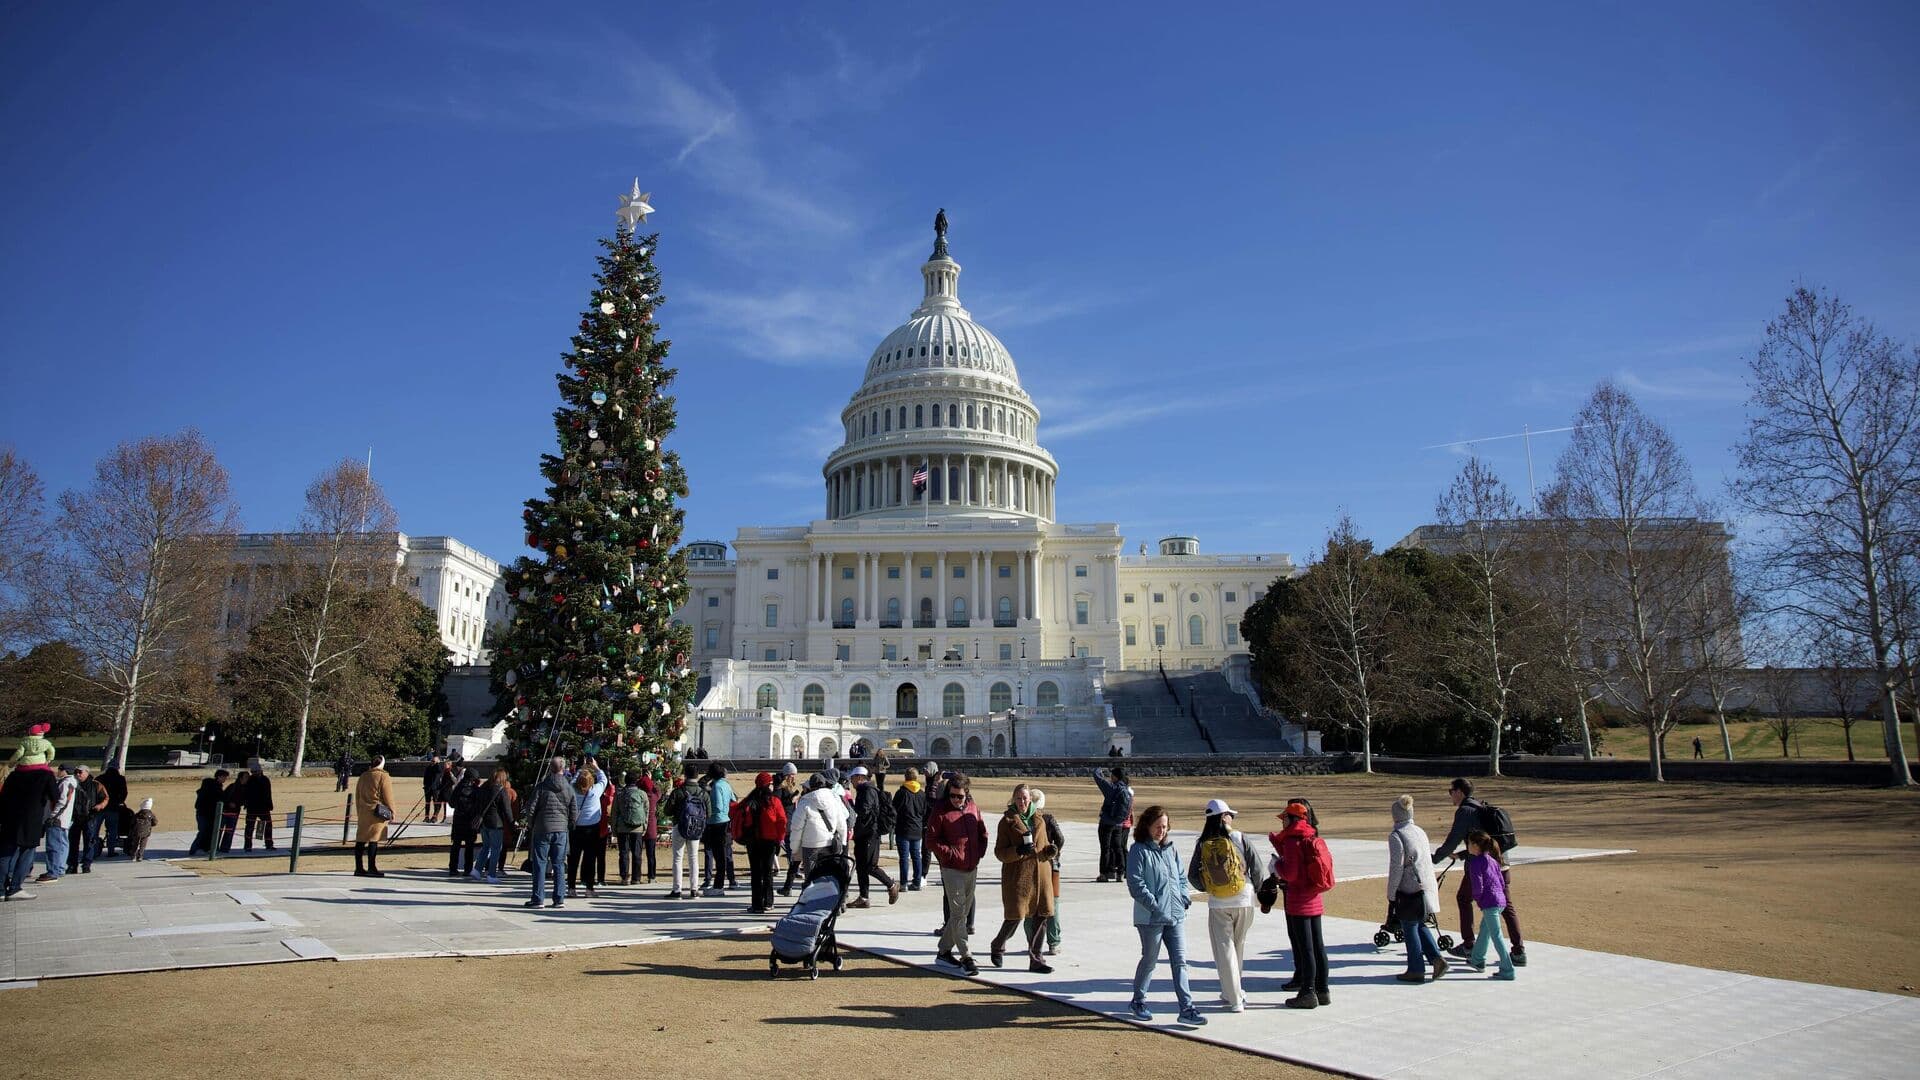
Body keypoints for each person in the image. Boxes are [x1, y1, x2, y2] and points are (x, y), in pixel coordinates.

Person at [1432, 778, 1526, 967]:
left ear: (1459, 792)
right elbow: (1485, 841)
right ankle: (1518, 951)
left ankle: (1469, 945)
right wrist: (1462, 855)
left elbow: (1453, 839)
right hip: (1502, 863)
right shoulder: (1481, 808)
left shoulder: (1465, 811)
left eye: (1451, 791)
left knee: (1463, 898)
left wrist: (1433, 860)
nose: (1450, 795)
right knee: (1506, 906)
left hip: (1481, 867)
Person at [1126, 804, 1204, 1025]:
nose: (1161, 830)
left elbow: (1180, 876)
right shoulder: (1138, 850)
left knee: (1180, 961)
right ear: (1147, 826)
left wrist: (1183, 896)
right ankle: (1138, 1001)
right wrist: (1155, 905)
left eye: (1165, 826)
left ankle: (1187, 1008)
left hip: (1176, 915)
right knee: (1150, 960)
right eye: (1157, 826)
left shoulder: (1171, 848)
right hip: (1151, 918)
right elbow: (1136, 884)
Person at [1186, 798, 1263, 1012]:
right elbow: (1257, 869)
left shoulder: (1202, 843)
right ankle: (1234, 991)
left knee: (1224, 950)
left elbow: (1192, 875)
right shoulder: (1239, 837)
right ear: (1223, 816)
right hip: (1244, 898)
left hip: (1218, 903)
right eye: (1230, 814)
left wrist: (1209, 887)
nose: (1232, 817)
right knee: (1238, 945)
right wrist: (1255, 890)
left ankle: (1234, 996)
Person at [1271, 800, 1333, 1010]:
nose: (1283, 822)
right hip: (1314, 896)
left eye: (1285, 818)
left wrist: (1276, 864)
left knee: (1305, 948)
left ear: (1292, 819)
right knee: (1318, 945)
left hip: (1298, 900)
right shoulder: (1310, 835)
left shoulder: (1291, 841)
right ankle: (1322, 989)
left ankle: (1307, 991)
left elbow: (1290, 873)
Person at [925, 771, 986, 976]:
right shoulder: (940, 810)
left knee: (963, 912)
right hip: (952, 869)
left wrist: (978, 853)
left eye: (959, 796)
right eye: (952, 795)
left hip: (971, 866)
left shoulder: (973, 808)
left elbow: (982, 832)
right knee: (959, 913)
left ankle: (943, 952)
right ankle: (966, 956)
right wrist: (949, 854)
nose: (955, 799)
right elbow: (931, 840)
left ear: (966, 794)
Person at [1387, 794, 1448, 983]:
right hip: (1425, 884)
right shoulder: (1419, 831)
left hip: (1409, 887)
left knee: (1409, 925)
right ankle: (1436, 959)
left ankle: (1416, 968)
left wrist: (1391, 892)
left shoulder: (1397, 836)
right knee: (1419, 922)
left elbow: (1396, 866)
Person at [1464, 830, 1517, 980]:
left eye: (1468, 843)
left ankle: (1508, 969)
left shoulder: (1475, 863)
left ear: (1475, 845)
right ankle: (1477, 960)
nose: (1467, 846)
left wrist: (1479, 899)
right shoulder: (1493, 860)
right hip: (1500, 901)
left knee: (1496, 935)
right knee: (1485, 930)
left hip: (1490, 903)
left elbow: (1477, 886)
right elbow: (1501, 881)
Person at [1, 763, 57, 900]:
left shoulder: (14, 774)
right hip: (31, 819)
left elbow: (4, 796)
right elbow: (55, 796)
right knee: (27, 853)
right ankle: (15, 888)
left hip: (10, 818)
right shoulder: (46, 775)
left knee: (6, 854)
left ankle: (1, 889)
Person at [524, 756, 574, 908]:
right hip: (561, 829)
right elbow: (574, 810)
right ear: (563, 768)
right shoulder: (569, 788)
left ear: (550, 768)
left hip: (543, 827)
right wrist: (569, 824)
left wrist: (532, 824)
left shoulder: (541, 786)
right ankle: (559, 898)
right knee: (559, 864)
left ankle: (538, 898)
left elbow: (531, 808)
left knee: (540, 863)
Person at [847, 766, 900, 909]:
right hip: (864, 833)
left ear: (859, 778)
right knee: (862, 868)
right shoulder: (864, 790)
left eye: (852, 778)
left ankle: (891, 885)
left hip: (869, 833)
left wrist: (851, 808)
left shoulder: (868, 791)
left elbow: (865, 810)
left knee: (870, 866)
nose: (851, 782)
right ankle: (863, 897)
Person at [1023, 787, 1065, 957]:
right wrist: (1055, 852)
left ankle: (1032, 942)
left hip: (1028, 866)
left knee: (1029, 907)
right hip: (1050, 865)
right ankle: (1053, 942)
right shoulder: (1048, 819)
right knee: (1052, 905)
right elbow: (1060, 838)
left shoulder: (1023, 820)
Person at [740, 771, 788, 913]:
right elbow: (782, 821)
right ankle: (768, 901)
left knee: (755, 873)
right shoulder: (774, 802)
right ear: (768, 785)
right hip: (769, 841)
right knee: (767, 873)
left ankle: (756, 904)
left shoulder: (749, 801)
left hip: (753, 842)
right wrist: (780, 839)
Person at [786, 772, 850, 880]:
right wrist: (843, 842)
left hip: (810, 845)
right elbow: (842, 823)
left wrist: (794, 847)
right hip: (829, 843)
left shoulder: (805, 802)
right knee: (828, 876)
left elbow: (797, 827)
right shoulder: (833, 799)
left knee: (811, 878)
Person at [567, 759, 609, 898]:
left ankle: (571, 888)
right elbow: (604, 779)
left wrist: (582, 768)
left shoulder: (572, 790)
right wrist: (596, 767)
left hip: (576, 829)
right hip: (592, 828)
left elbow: (572, 782)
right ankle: (589, 889)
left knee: (573, 859)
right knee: (590, 859)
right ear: (592, 782)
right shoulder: (594, 791)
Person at [352, 755, 397, 878]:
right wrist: (392, 811)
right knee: (373, 840)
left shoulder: (363, 776)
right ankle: (372, 867)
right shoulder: (383, 775)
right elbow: (388, 796)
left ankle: (359, 867)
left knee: (360, 840)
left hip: (363, 811)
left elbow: (357, 795)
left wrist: (359, 810)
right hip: (377, 812)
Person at [1092, 765, 1133, 883]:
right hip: (1119, 824)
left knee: (1105, 848)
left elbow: (1097, 777)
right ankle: (1120, 872)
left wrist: (1099, 769)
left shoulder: (1112, 788)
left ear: (1115, 777)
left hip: (1106, 822)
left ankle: (1104, 874)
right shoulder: (1127, 790)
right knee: (1118, 847)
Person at [663, 776, 702, 899]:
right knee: (694, 858)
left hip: (679, 826)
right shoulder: (702, 792)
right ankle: (694, 889)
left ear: (685, 776)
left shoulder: (678, 792)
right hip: (695, 827)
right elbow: (709, 811)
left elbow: (667, 811)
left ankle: (677, 889)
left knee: (678, 858)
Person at [701, 764, 737, 896]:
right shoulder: (726, 784)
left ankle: (718, 885)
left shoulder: (716, 786)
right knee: (723, 855)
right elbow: (733, 799)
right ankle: (719, 884)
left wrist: (708, 811)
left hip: (717, 822)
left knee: (719, 856)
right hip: (726, 821)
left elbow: (717, 806)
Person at [473, 767, 513, 883]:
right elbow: (507, 809)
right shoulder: (501, 790)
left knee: (486, 847)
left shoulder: (484, 788)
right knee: (496, 849)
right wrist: (511, 822)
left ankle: (477, 869)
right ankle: (491, 874)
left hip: (484, 822)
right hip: (496, 823)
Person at [891, 767, 928, 892]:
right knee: (916, 856)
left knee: (904, 857)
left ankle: (903, 883)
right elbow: (924, 811)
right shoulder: (922, 794)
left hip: (903, 828)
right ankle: (917, 881)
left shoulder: (901, 793)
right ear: (916, 778)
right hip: (917, 828)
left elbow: (894, 809)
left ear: (905, 777)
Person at [37, 764, 74, 883]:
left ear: (65, 771)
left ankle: (53, 871)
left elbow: (63, 801)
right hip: (63, 819)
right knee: (62, 844)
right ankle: (59, 868)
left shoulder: (64, 783)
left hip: (57, 819)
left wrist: (53, 815)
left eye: (60, 770)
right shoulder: (71, 782)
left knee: (53, 846)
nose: (58, 772)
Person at [613, 772, 651, 886]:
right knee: (637, 853)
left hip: (622, 828)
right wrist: (644, 826)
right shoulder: (642, 794)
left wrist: (615, 829)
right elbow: (646, 811)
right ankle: (636, 878)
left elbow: (615, 812)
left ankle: (625, 877)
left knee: (623, 853)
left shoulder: (619, 794)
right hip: (637, 828)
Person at [70, 764, 107, 872]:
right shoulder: (72, 784)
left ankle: (86, 864)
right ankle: (72, 865)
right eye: (76, 772)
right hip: (75, 817)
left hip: (90, 817)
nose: (78, 774)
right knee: (73, 843)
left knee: (89, 842)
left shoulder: (96, 785)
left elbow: (105, 798)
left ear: (87, 772)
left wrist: (99, 806)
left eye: (80, 772)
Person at [775, 765, 805, 895]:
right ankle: (791, 875)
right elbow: (778, 803)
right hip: (785, 822)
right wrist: (792, 799)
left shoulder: (788, 786)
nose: (794, 777)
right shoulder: (780, 788)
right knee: (790, 848)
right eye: (792, 774)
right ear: (787, 775)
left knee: (793, 849)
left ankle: (791, 879)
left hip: (791, 821)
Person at [447, 767, 481, 877]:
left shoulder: (458, 788)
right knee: (469, 846)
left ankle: (453, 868)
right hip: (470, 821)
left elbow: (451, 803)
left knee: (456, 845)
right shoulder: (476, 790)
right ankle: (468, 869)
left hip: (458, 820)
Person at [188, 769, 226, 857]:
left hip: (210, 814)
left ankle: (205, 848)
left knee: (209, 832)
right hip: (204, 813)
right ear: (219, 776)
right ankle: (195, 849)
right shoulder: (211, 787)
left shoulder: (218, 787)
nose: (225, 779)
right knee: (203, 831)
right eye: (224, 777)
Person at [244, 758, 275, 852]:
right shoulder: (250, 780)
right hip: (253, 807)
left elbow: (268, 793)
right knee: (250, 826)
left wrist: (269, 804)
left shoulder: (264, 780)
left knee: (266, 826)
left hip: (263, 807)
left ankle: (268, 844)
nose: (255, 773)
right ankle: (248, 845)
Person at [99, 763, 128, 857]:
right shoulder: (120, 779)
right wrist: (120, 801)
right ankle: (111, 851)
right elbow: (124, 792)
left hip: (100, 808)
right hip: (113, 807)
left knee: (95, 830)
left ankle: (93, 850)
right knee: (112, 830)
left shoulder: (100, 778)